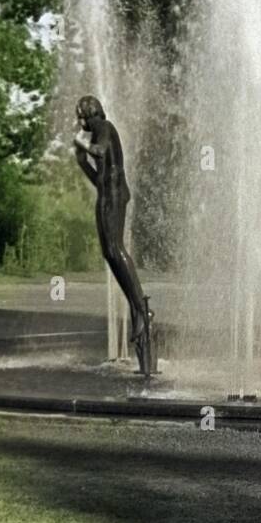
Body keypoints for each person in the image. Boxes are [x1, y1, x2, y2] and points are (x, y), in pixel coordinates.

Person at [73, 96, 150, 357]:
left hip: (115, 195)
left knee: (116, 249)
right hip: (107, 194)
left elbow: (102, 151)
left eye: (80, 115)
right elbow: (99, 178)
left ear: (89, 113)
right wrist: (82, 162)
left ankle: (141, 308)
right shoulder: (97, 133)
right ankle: (136, 305)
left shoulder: (104, 128)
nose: (79, 121)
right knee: (110, 252)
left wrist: (82, 144)